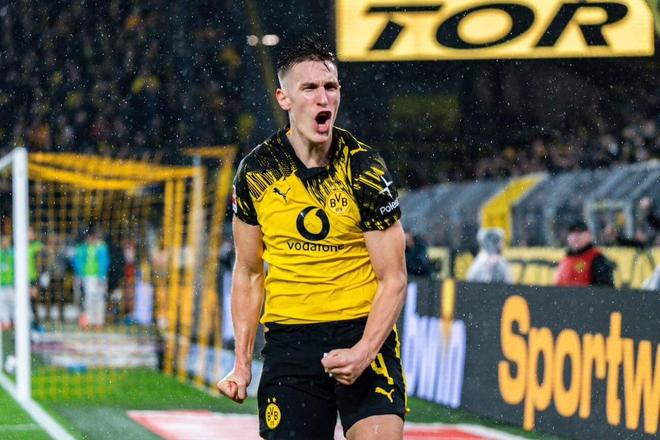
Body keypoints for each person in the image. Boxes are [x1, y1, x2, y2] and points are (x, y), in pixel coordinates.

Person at [216, 36, 408, 440]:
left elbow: (393, 278)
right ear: (284, 98)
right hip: (291, 343)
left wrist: (363, 351)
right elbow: (249, 273)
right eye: (310, 88)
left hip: (361, 330)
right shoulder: (256, 173)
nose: (324, 99)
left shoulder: (365, 169)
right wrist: (242, 365)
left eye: (330, 87)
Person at [555, 220, 614, 287]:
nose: (575, 236)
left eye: (579, 232)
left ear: (589, 235)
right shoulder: (565, 259)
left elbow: (605, 289)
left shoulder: (597, 259)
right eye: (572, 233)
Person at [73, 227, 109, 329]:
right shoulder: (82, 248)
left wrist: (101, 276)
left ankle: (99, 322)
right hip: (87, 277)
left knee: (99, 299)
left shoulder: (101, 247)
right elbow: (77, 261)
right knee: (88, 300)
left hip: (99, 277)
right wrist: (80, 275)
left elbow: (104, 262)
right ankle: (88, 321)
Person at [0, 235, 14, 330]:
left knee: (14, 304)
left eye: (6, 241)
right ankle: (6, 324)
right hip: (1, 285)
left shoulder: (13, 253)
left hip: (11, 285)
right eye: (3, 241)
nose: (5, 243)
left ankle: (16, 323)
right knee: (2, 305)